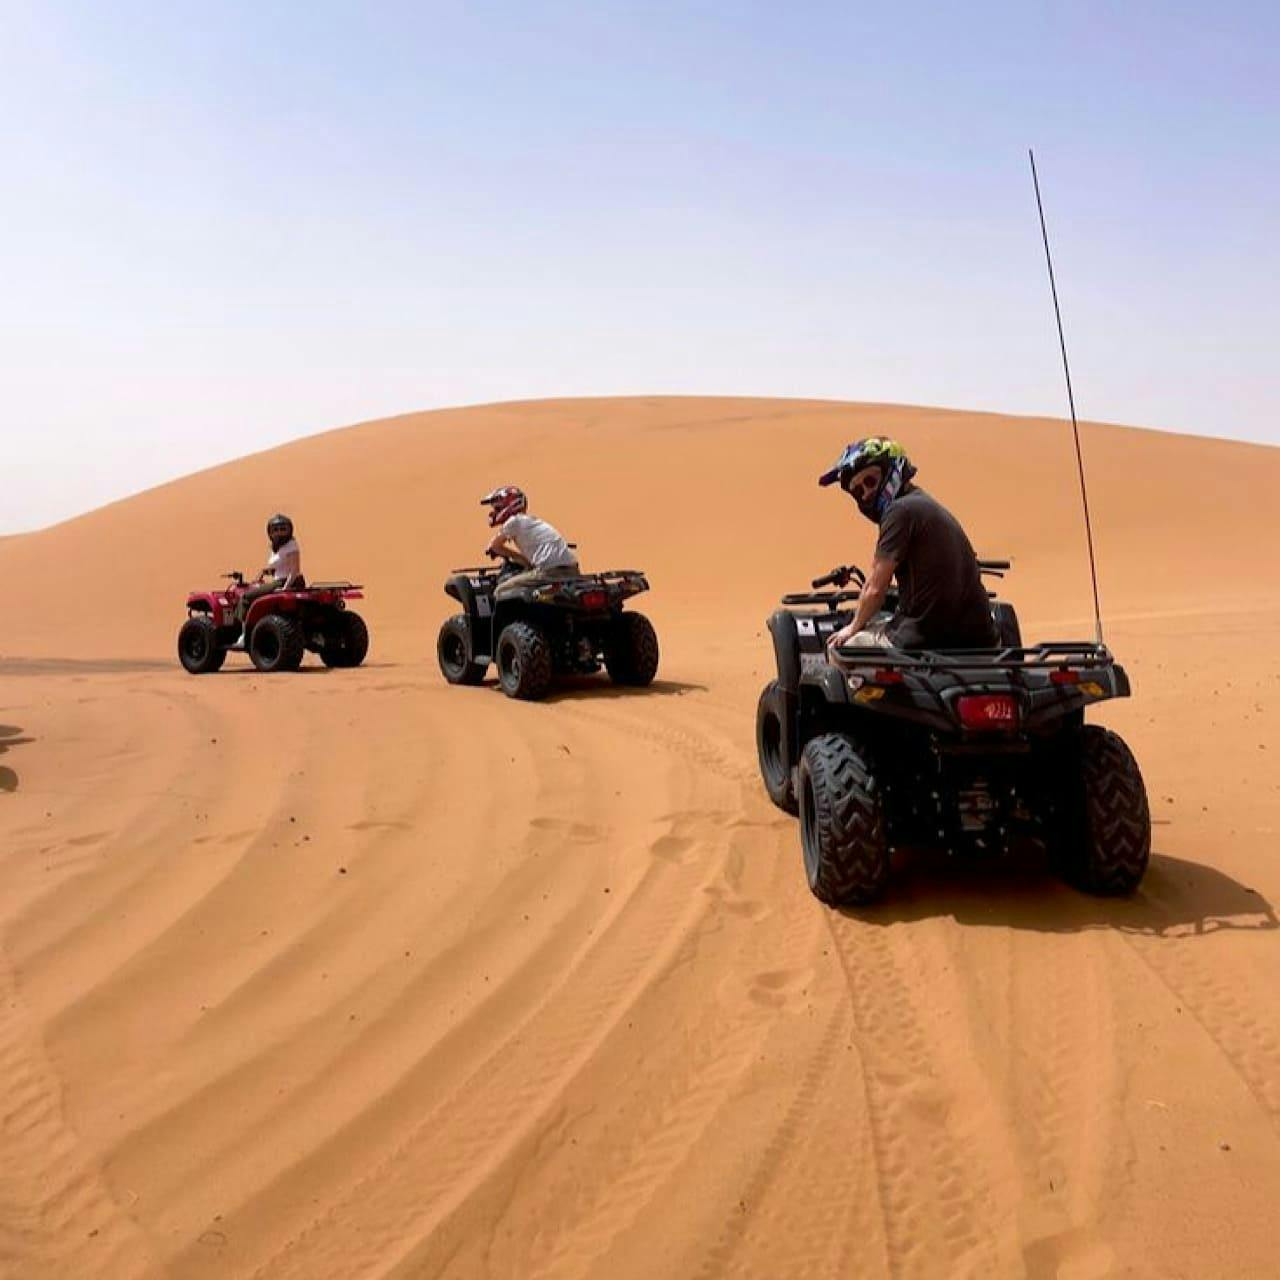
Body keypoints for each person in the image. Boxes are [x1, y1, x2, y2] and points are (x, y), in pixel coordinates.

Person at [818, 438, 996, 652]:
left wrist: (852, 628)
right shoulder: (926, 505)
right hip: (980, 639)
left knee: (841, 648)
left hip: (922, 638)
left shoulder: (899, 512)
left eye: (870, 481)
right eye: (857, 491)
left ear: (891, 471)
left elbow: (875, 589)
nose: (866, 493)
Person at [480, 486, 580, 597]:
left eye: (497, 508)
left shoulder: (514, 521)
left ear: (509, 505)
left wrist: (520, 558)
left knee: (500, 591)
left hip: (549, 572)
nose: (493, 512)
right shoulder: (532, 521)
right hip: (572, 570)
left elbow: (495, 546)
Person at [235, 513, 304, 630]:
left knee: (246, 597)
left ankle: (243, 631)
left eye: (283, 529)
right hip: (280, 580)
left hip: (286, 582)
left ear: (289, 530)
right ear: (270, 532)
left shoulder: (291, 546)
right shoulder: (277, 547)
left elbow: (294, 570)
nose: (279, 532)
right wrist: (264, 572)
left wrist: (285, 589)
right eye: (275, 529)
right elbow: (279, 565)